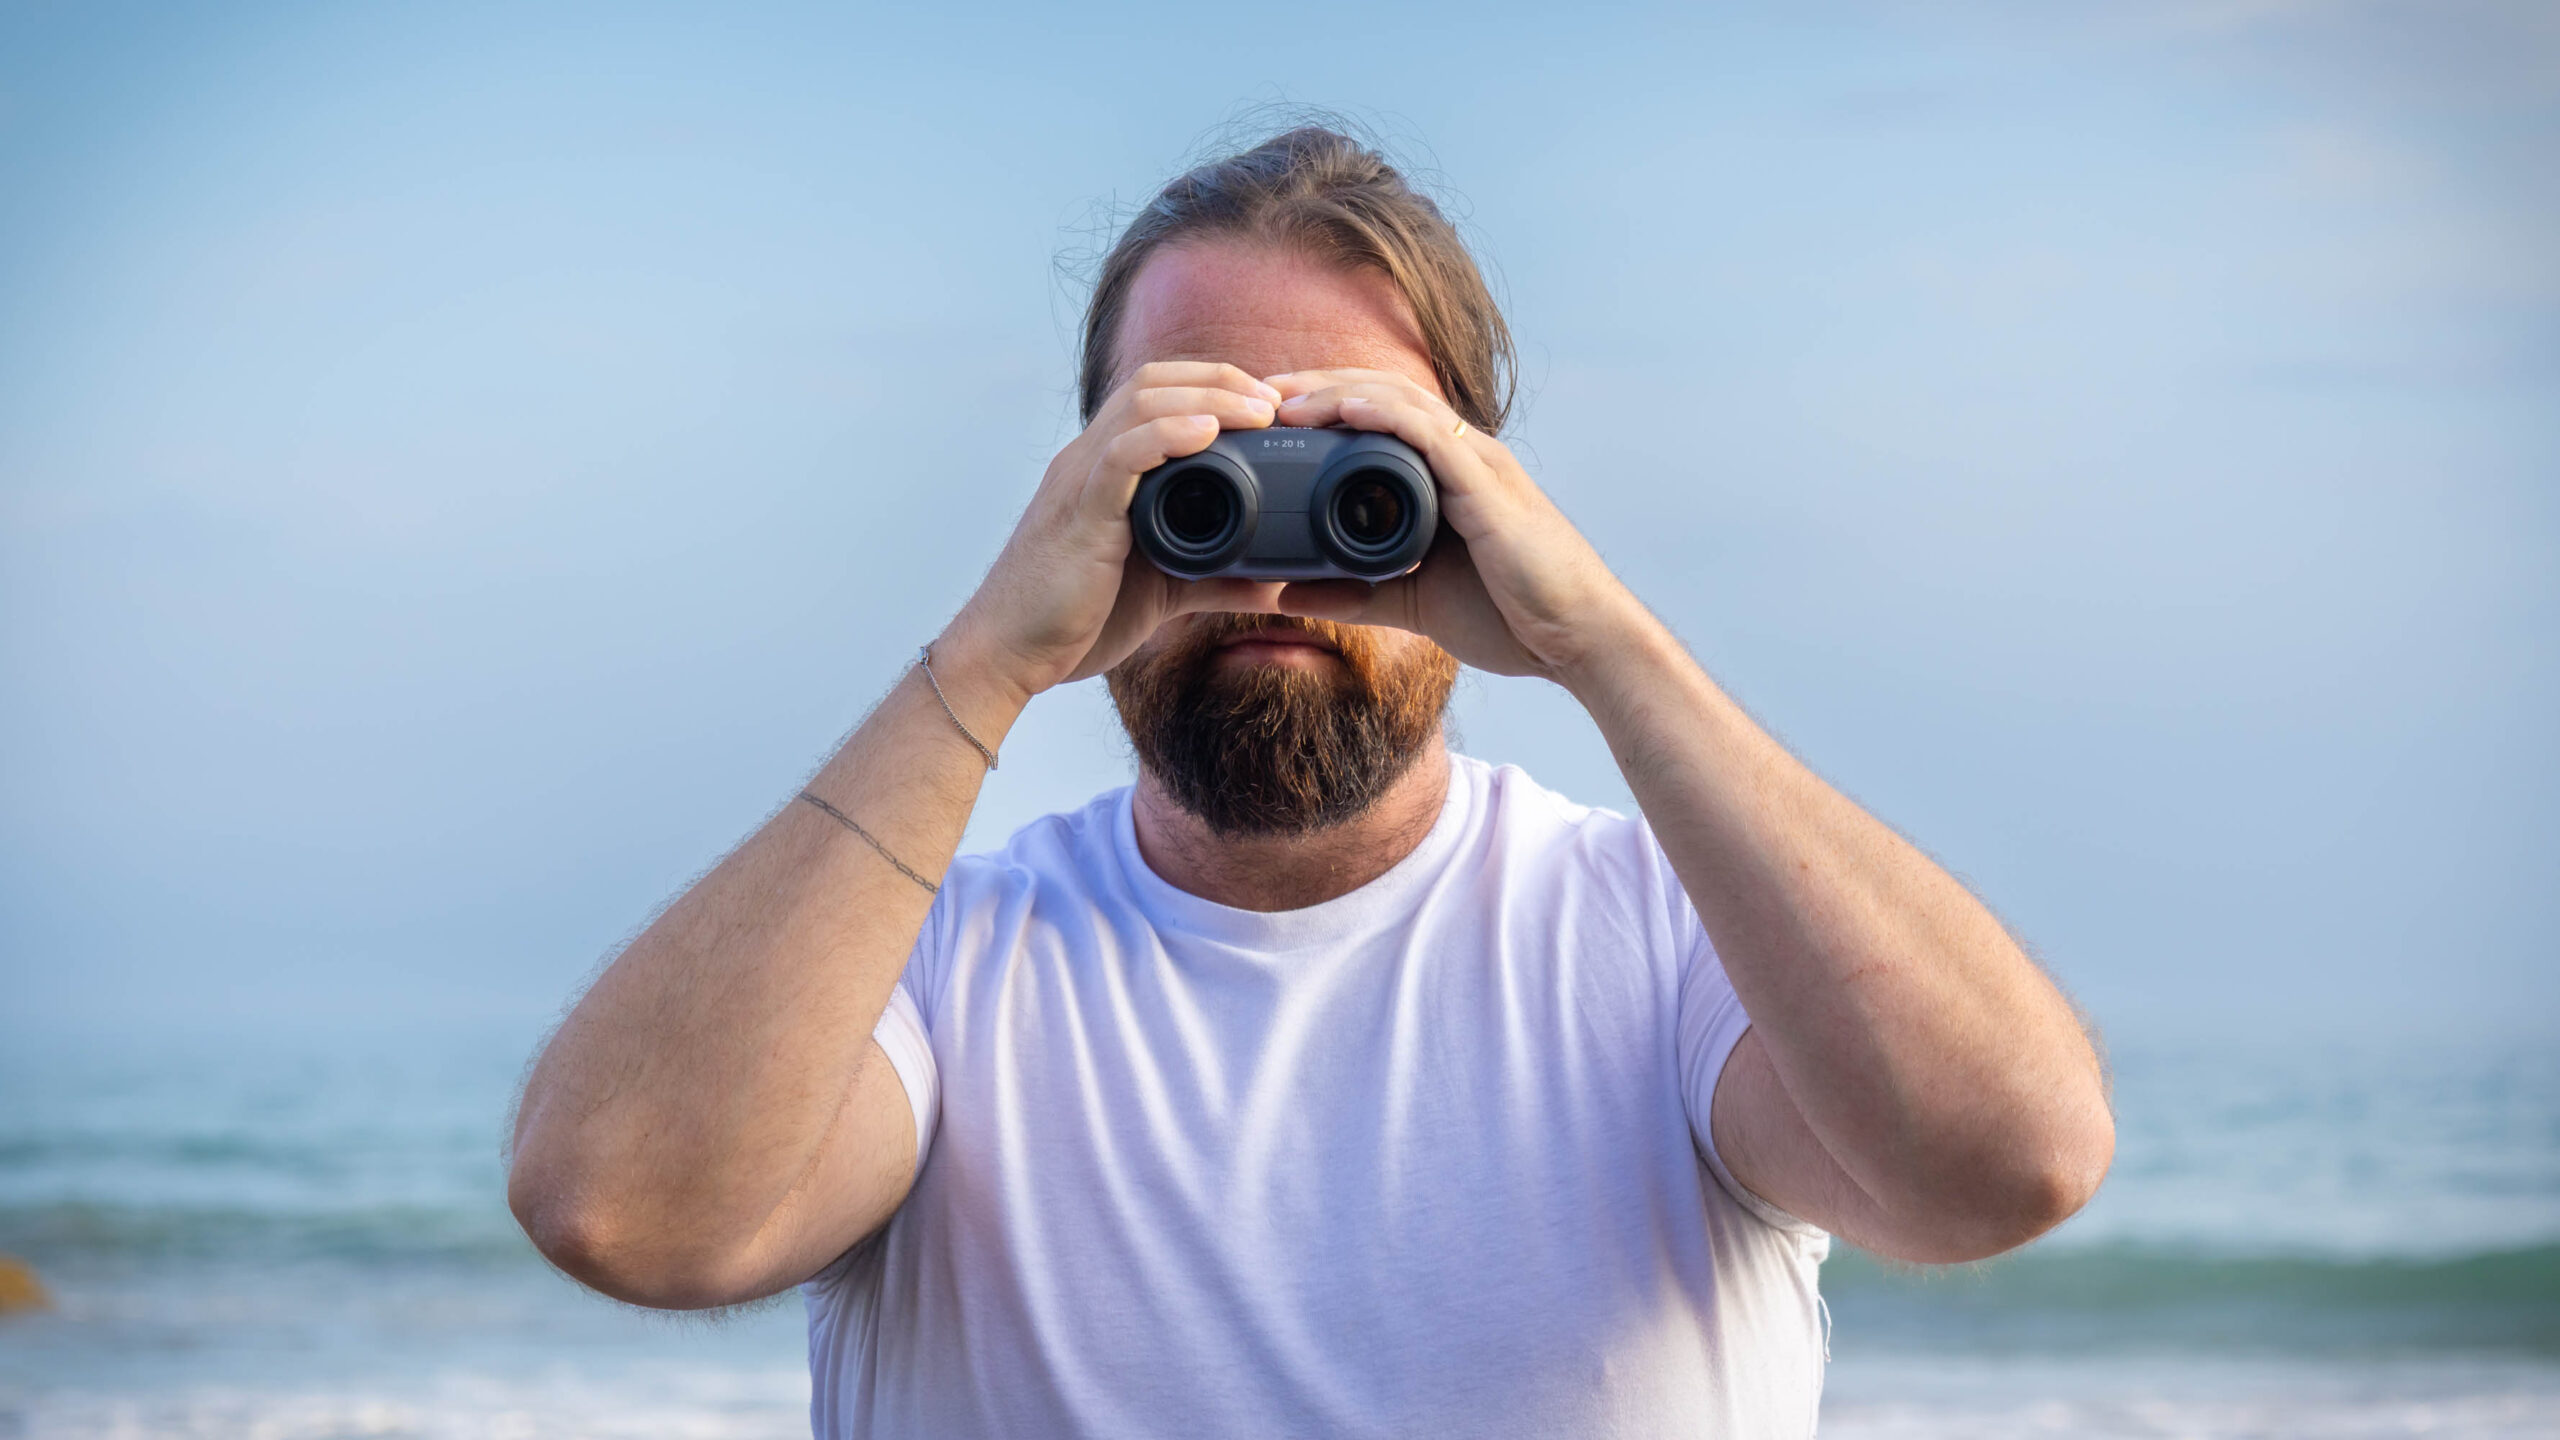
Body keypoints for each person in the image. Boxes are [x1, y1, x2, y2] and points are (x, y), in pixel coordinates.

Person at [506, 126, 2116, 1438]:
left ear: (1486, 497)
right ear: (1088, 491)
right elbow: (626, 1214)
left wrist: (1603, 645)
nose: (1272, 578)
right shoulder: (919, 967)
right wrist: (989, 658)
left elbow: (2003, 1166)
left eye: (1360, 482)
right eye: (1197, 482)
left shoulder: (1681, 943)